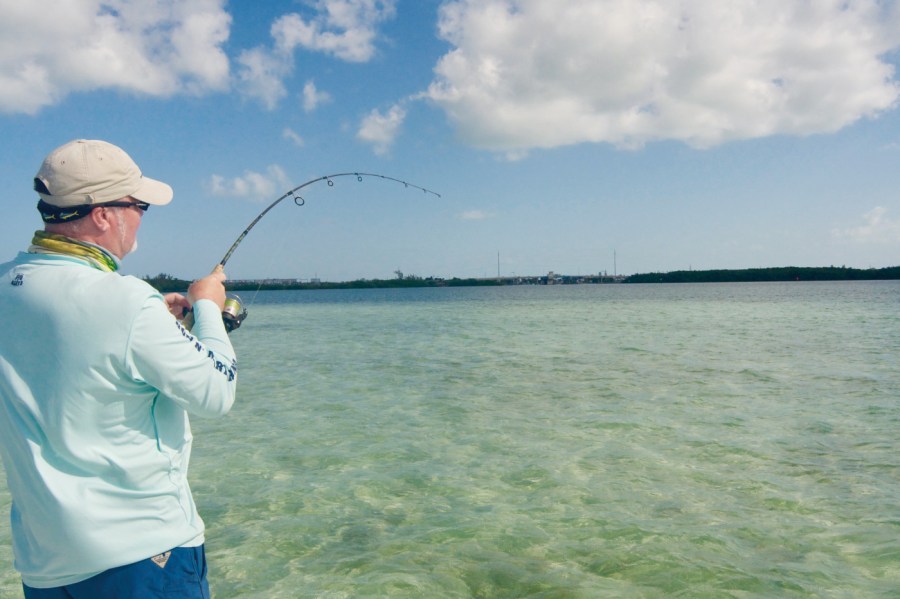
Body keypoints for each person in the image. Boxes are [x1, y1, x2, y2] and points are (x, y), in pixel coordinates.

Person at [0, 139, 238, 598]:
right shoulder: (127, 300)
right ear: (103, 215)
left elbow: (71, 352)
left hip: (45, 564)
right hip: (144, 558)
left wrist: (154, 326)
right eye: (139, 204)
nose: (142, 216)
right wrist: (209, 309)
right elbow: (216, 393)